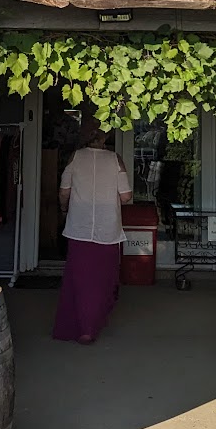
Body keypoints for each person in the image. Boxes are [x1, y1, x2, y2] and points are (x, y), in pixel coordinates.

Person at [52, 116, 133, 344]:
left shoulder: (75, 158)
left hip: (79, 226)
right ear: (106, 137)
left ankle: (76, 325)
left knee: (78, 277)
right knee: (102, 279)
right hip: (108, 229)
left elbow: (64, 191)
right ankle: (93, 325)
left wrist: (64, 210)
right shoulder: (115, 160)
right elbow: (126, 197)